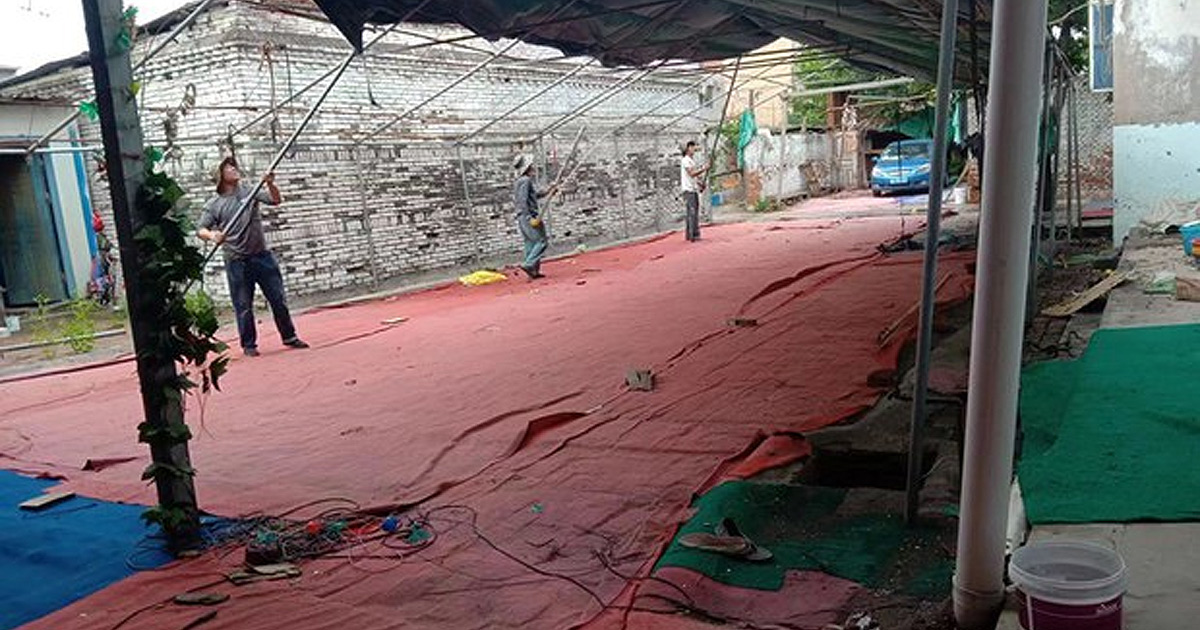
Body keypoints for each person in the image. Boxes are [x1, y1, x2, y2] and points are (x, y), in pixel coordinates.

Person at [197, 157, 308, 357]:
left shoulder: (250, 192)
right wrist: (213, 235)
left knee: (278, 299)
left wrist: (271, 184)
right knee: (243, 305)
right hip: (237, 262)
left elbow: (275, 200)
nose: (234, 169)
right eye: (228, 167)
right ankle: (249, 345)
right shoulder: (214, 204)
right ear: (220, 176)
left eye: (233, 165)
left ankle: (289, 336)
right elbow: (201, 230)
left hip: (262, 257)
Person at [512, 154, 558, 279]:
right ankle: (529, 264)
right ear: (526, 167)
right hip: (528, 215)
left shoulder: (520, 181)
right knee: (541, 241)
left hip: (523, 215)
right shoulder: (525, 181)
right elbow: (523, 200)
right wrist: (529, 218)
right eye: (531, 165)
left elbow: (534, 195)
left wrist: (549, 191)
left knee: (530, 243)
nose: (533, 167)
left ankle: (533, 272)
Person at [680, 141, 708, 242]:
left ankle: (690, 234)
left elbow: (695, 177)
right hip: (688, 190)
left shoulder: (691, 161)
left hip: (693, 189)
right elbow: (691, 173)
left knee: (692, 212)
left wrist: (701, 184)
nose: (694, 149)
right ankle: (693, 235)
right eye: (692, 147)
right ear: (688, 149)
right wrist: (704, 168)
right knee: (692, 212)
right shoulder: (686, 160)